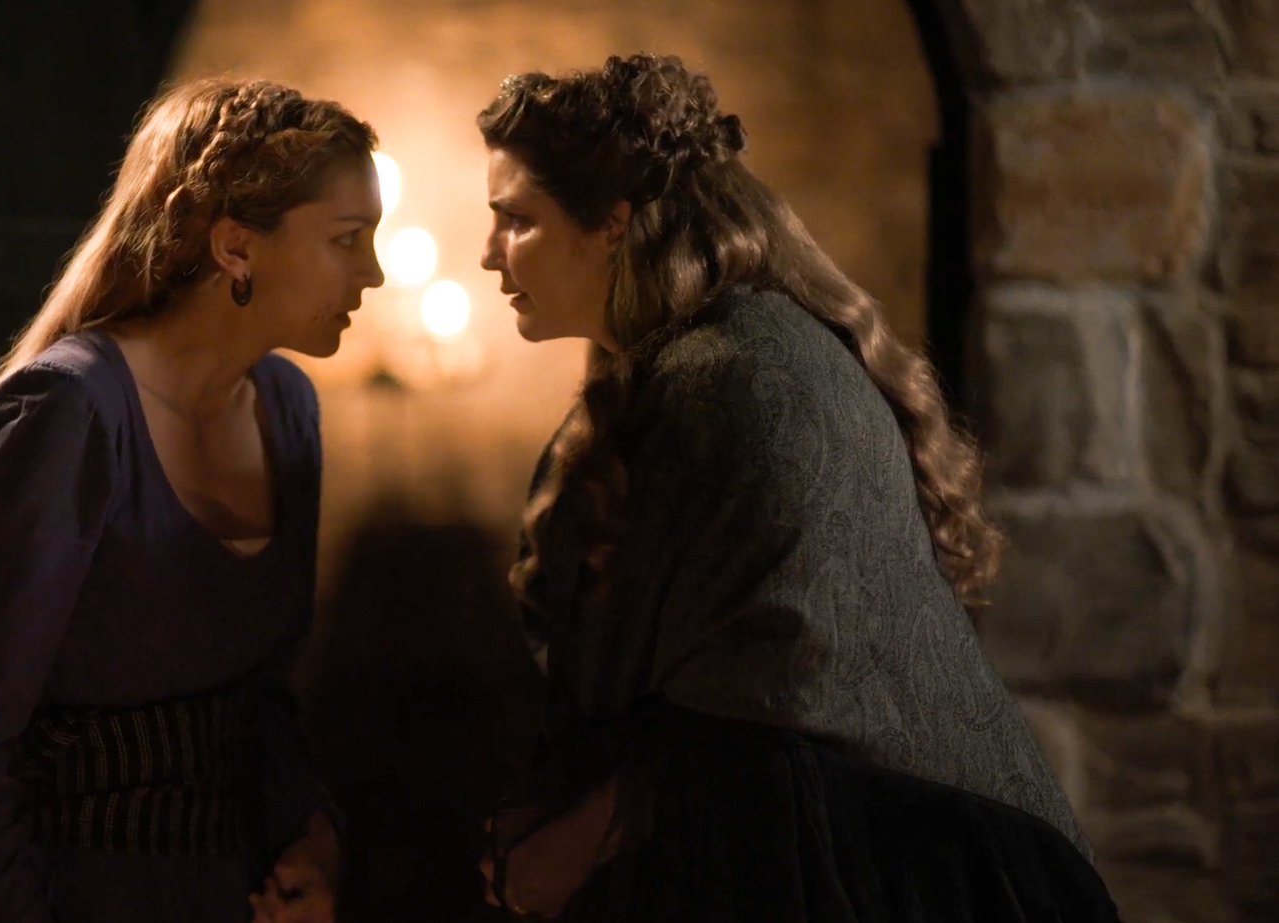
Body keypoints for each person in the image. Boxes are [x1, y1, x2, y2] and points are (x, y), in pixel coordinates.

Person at [474, 54, 1119, 921]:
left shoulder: (729, 376)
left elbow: (750, 704)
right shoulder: (713, 355)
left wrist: (576, 838)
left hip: (892, 869)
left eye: (515, 220)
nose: (489, 254)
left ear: (612, 224)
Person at [0, 76, 385, 923]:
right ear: (236, 247)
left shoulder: (287, 409)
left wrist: (312, 841)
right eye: (348, 238)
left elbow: (262, 697)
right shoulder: (71, 411)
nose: (372, 272)